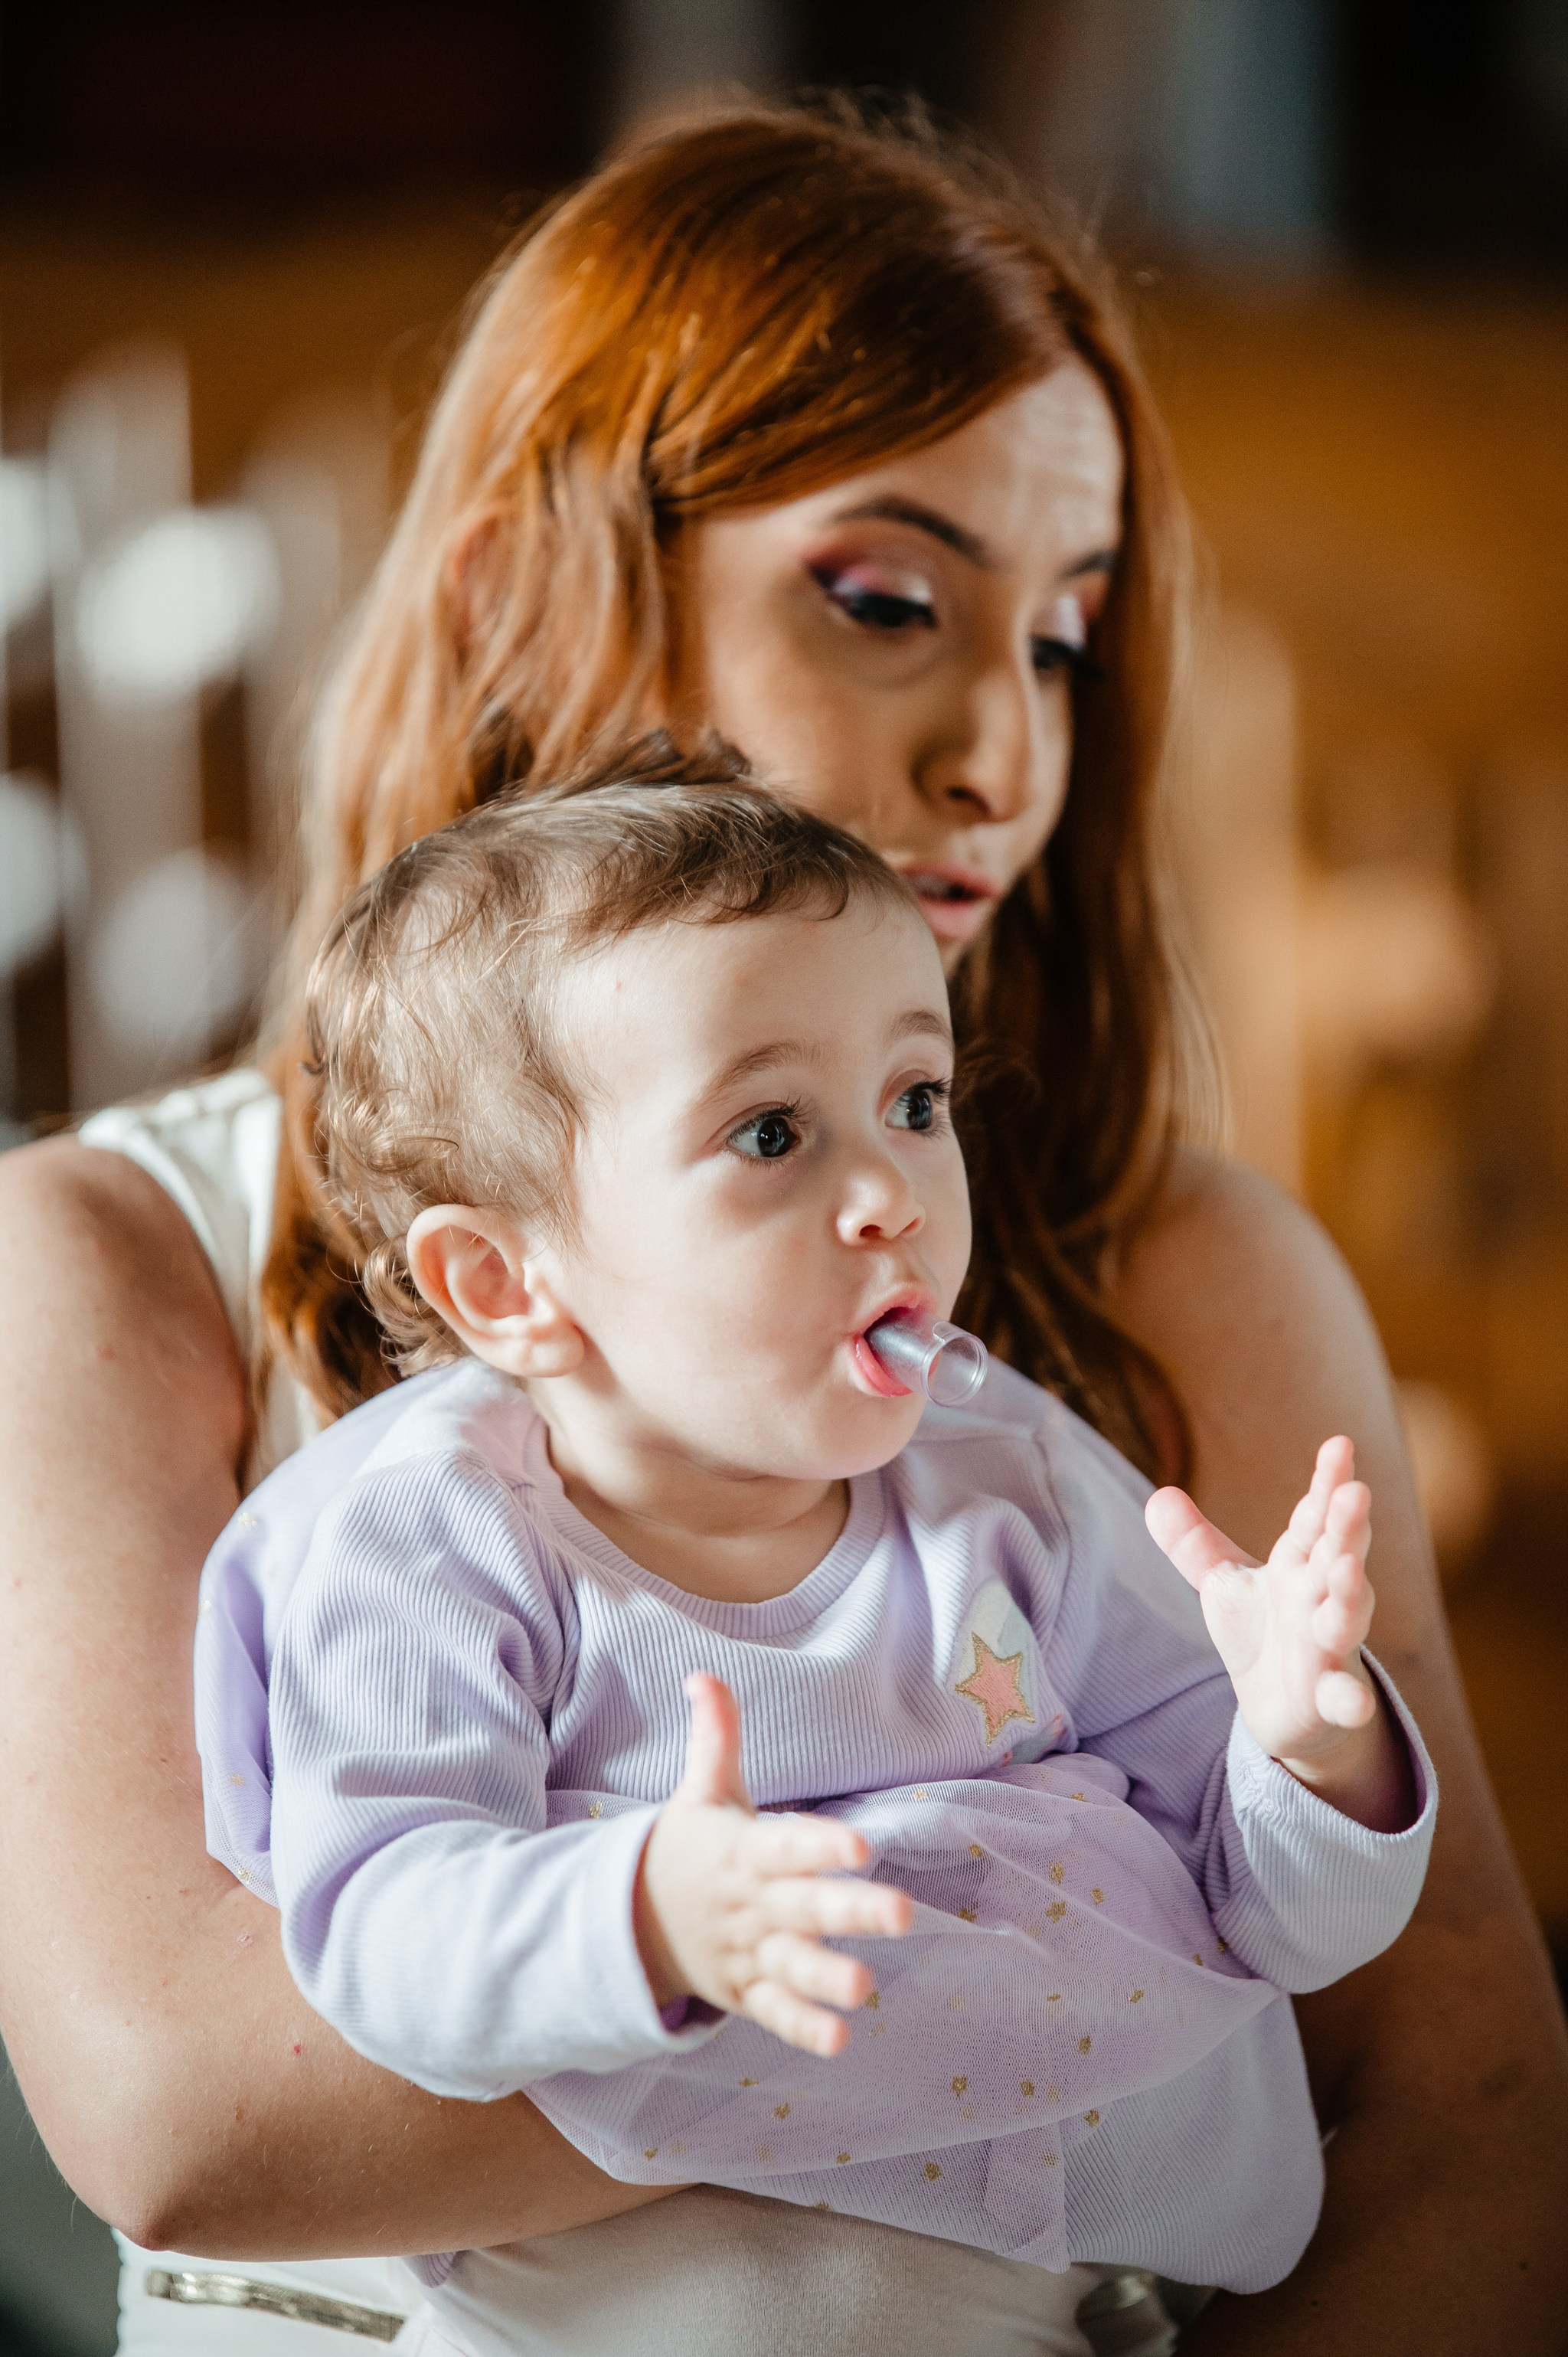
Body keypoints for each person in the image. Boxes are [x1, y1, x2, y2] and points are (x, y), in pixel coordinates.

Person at [0, 99, 1561, 2357]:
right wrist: (1078, 1939)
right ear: (521, 597)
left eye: (1064, 639)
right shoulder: (104, 1259)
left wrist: (1252, 1822)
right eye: (888, 599)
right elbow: (194, 2116)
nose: (1004, 753)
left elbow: (1463, 2113)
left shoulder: (1187, 1286)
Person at [198, 778, 1432, 2357]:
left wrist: (1311, 1748)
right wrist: (644, 1915)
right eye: (772, 1133)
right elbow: (378, 1928)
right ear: (505, 1281)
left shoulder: (1009, 1486)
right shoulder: (430, 1542)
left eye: (916, 1100)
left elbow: (1270, 1920)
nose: (891, 1195)